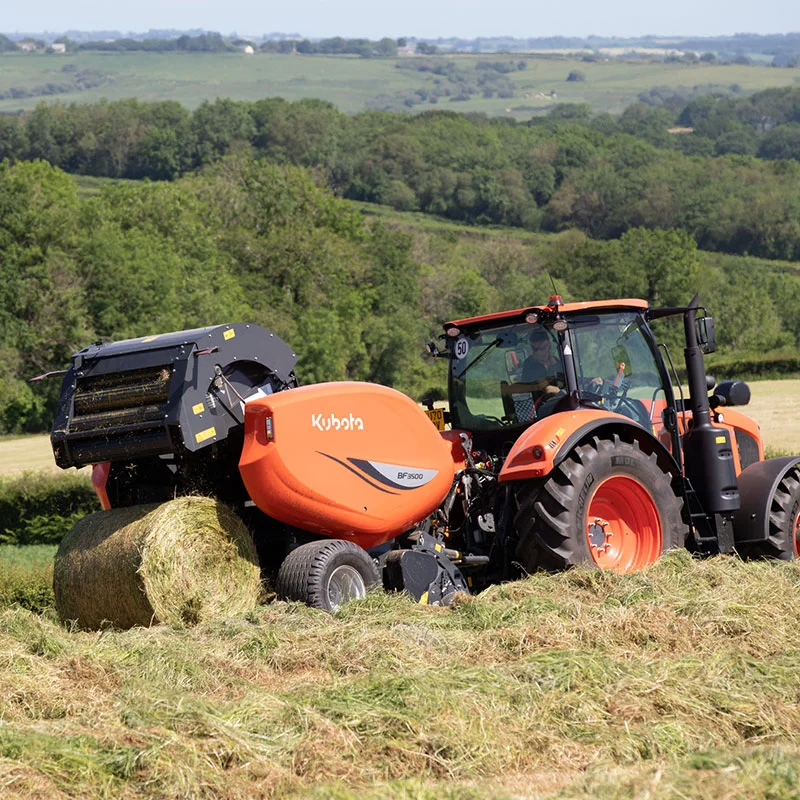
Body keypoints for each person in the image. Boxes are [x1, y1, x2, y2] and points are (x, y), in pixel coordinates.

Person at [521, 327, 563, 395]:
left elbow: (565, 381)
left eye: (542, 348)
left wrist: (559, 391)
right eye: (535, 349)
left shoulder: (557, 363)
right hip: (540, 404)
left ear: (549, 345)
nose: (539, 352)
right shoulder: (529, 365)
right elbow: (526, 389)